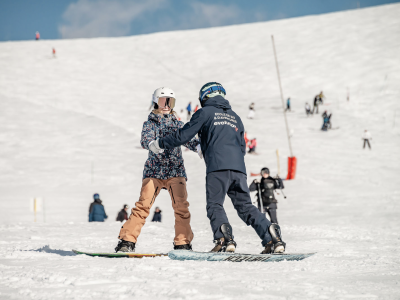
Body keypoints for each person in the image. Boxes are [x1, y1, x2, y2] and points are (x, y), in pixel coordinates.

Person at [148, 82, 286, 254]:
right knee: (245, 206)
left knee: (215, 205)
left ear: (204, 97)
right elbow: (242, 146)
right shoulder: (235, 117)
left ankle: (224, 240)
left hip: (217, 168)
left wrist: (160, 143)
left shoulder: (204, 112)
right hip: (238, 169)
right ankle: (272, 238)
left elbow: (184, 135)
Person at [115, 87, 200, 253]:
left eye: (170, 101)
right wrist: (152, 145)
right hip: (154, 172)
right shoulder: (150, 124)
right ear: (155, 102)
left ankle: (182, 242)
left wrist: (199, 147)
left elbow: (189, 139)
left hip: (175, 171)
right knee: (142, 207)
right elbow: (146, 139)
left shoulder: (178, 124)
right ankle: (126, 241)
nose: (167, 105)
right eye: (163, 101)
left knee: (181, 208)